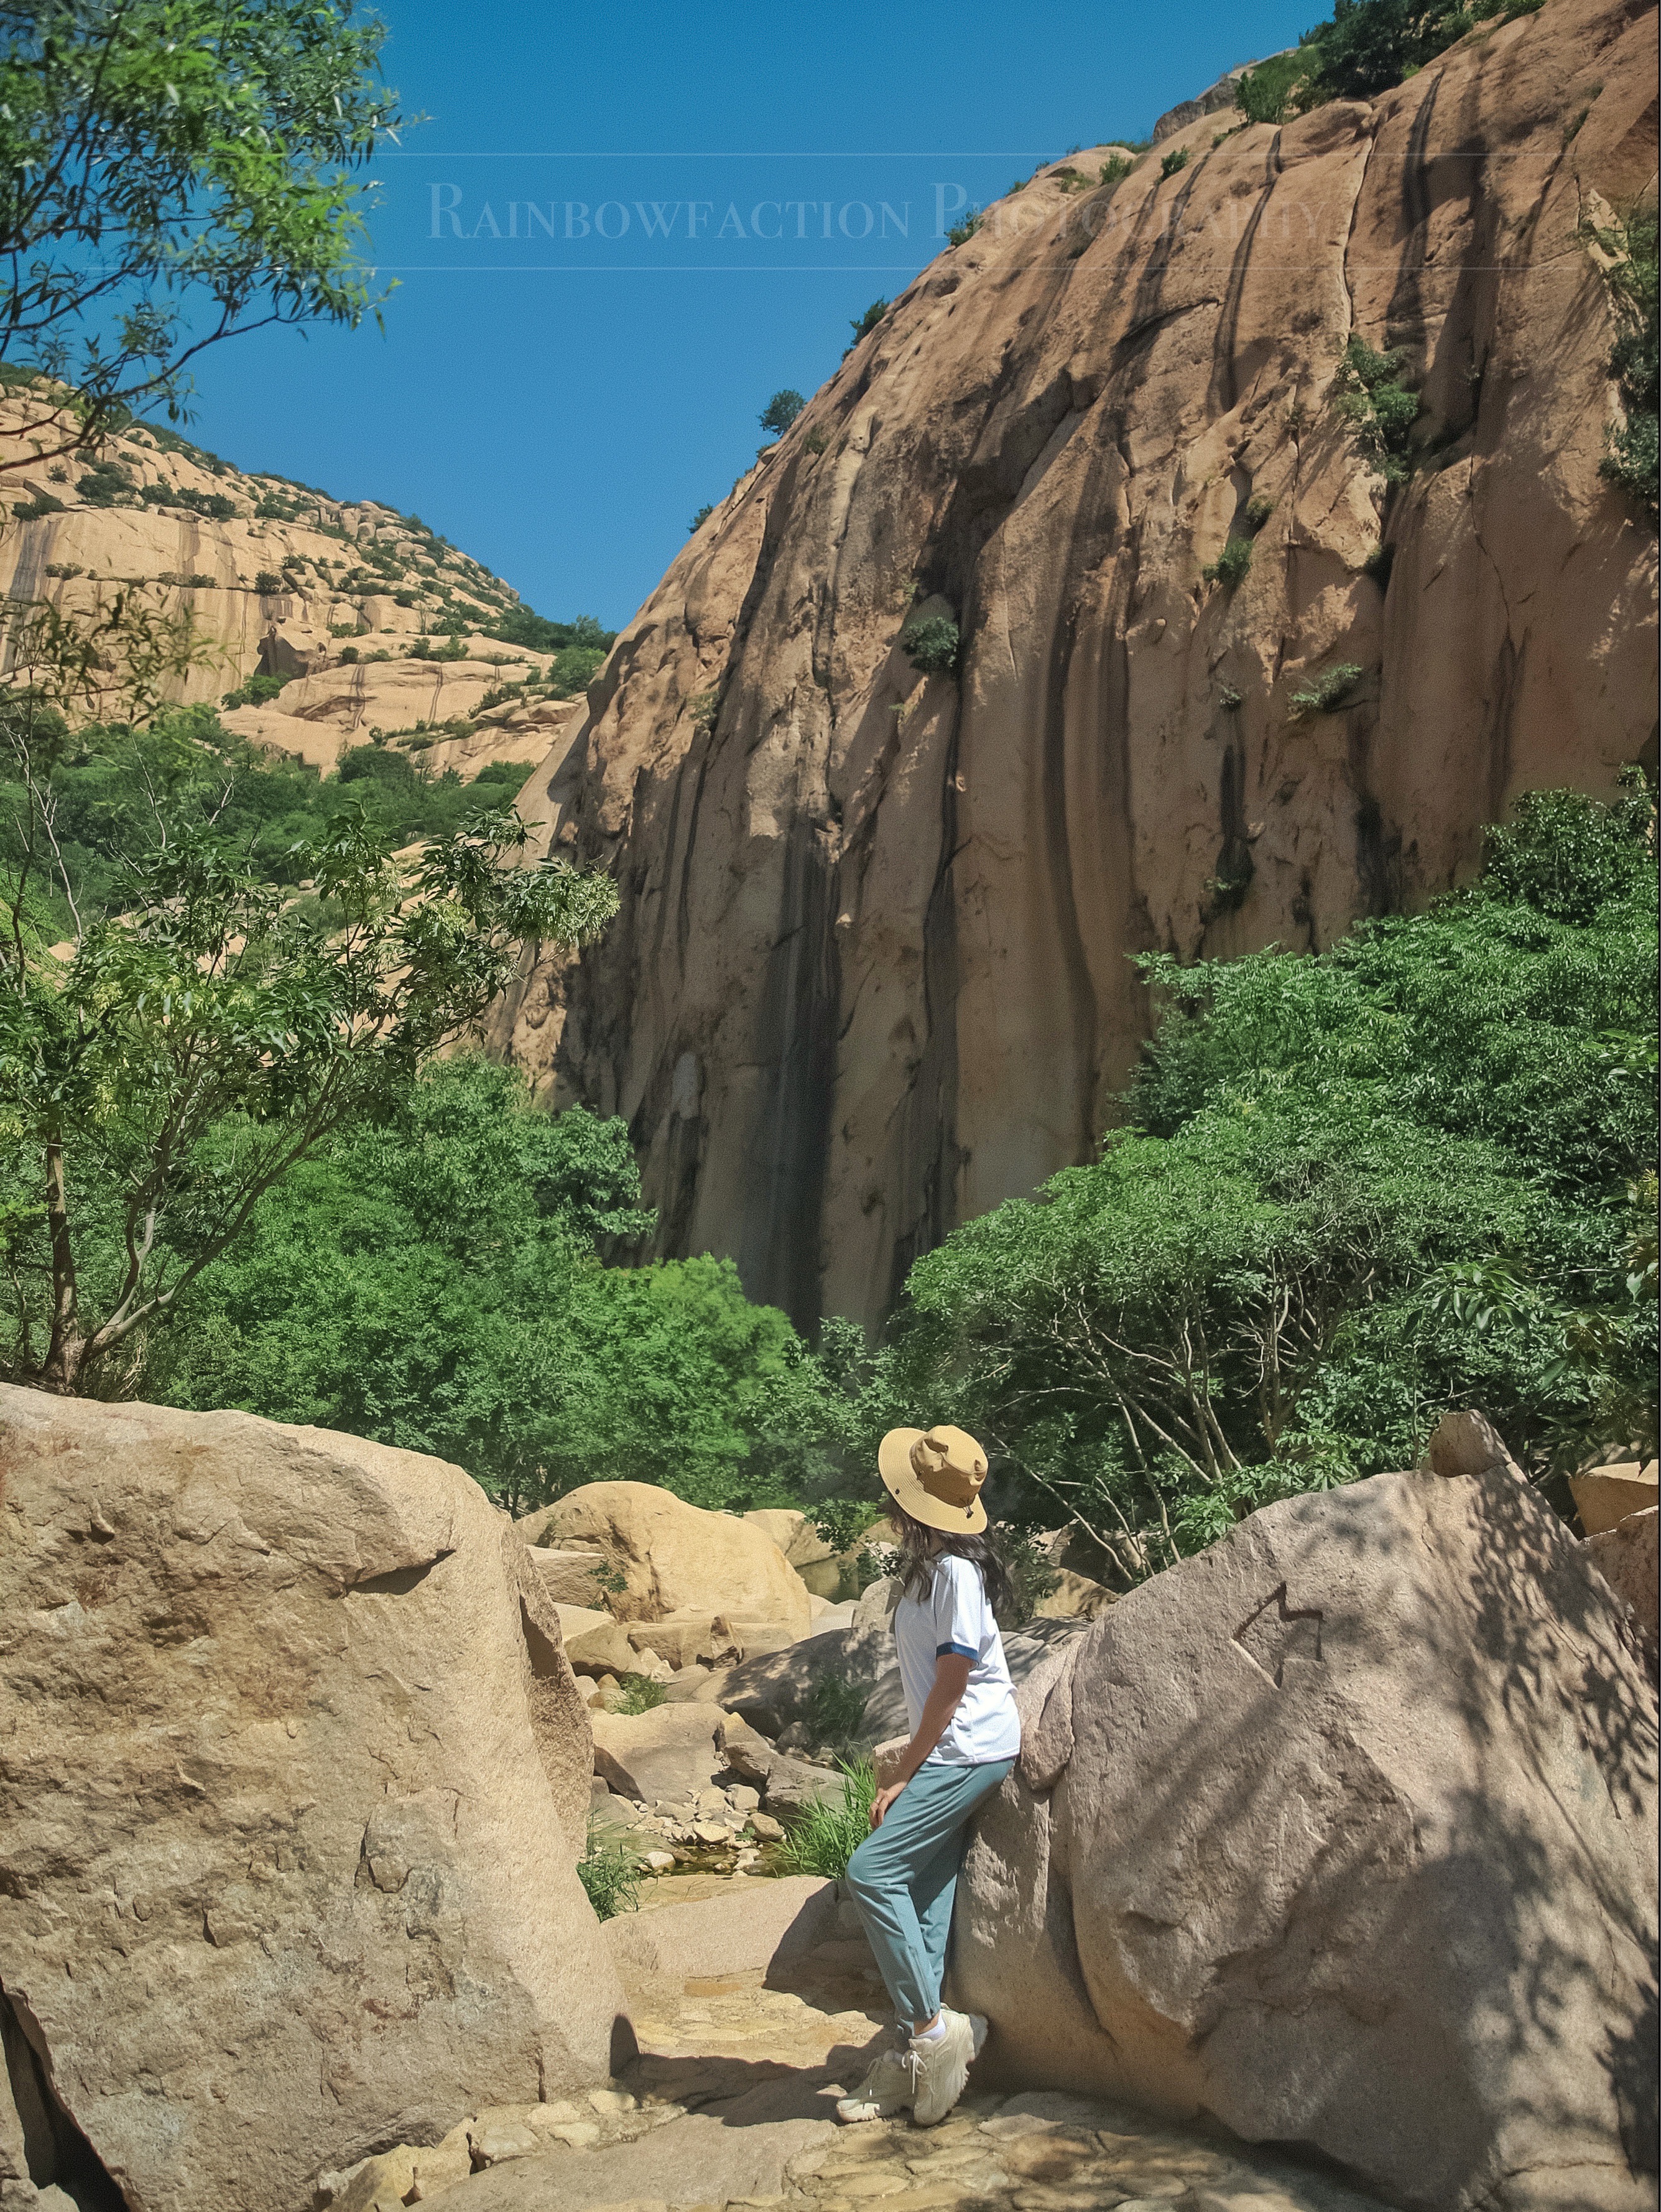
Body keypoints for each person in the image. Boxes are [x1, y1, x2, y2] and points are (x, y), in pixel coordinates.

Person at [835, 1423, 1021, 2129]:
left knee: (873, 1872)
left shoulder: (954, 1574)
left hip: (968, 1750)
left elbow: (954, 1675)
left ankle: (931, 2034)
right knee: (926, 1894)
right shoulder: (931, 1570)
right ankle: (919, 2049)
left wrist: (902, 1772)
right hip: (957, 1748)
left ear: (911, 1504)